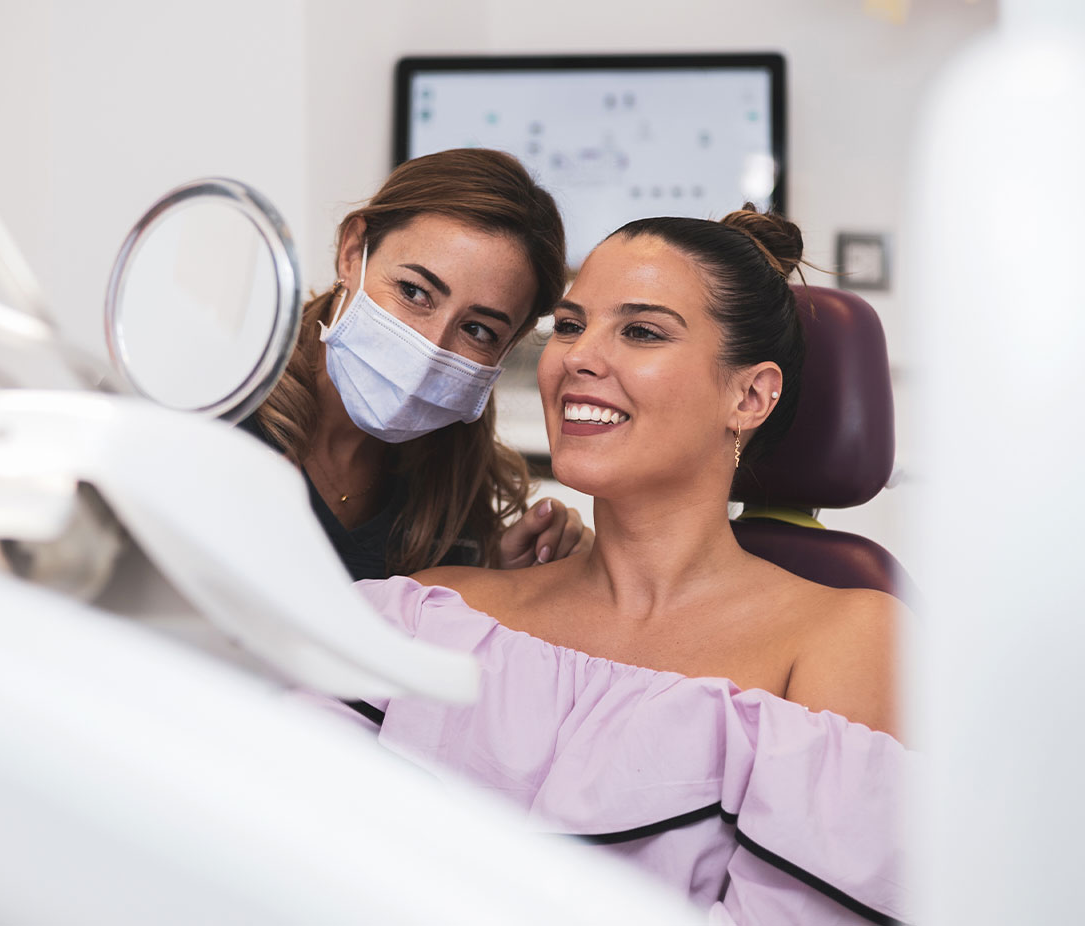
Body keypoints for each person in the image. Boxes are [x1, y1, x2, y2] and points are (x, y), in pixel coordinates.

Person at [339, 208, 914, 924]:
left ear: (750, 396)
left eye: (641, 331)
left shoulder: (851, 638)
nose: (578, 356)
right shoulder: (426, 613)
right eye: (571, 324)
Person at [241, 149, 589, 580]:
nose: (431, 347)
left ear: (510, 344)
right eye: (414, 292)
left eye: (478, 330)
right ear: (352, 253)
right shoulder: (223, 406)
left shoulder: (454, 492)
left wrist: (490, 580)